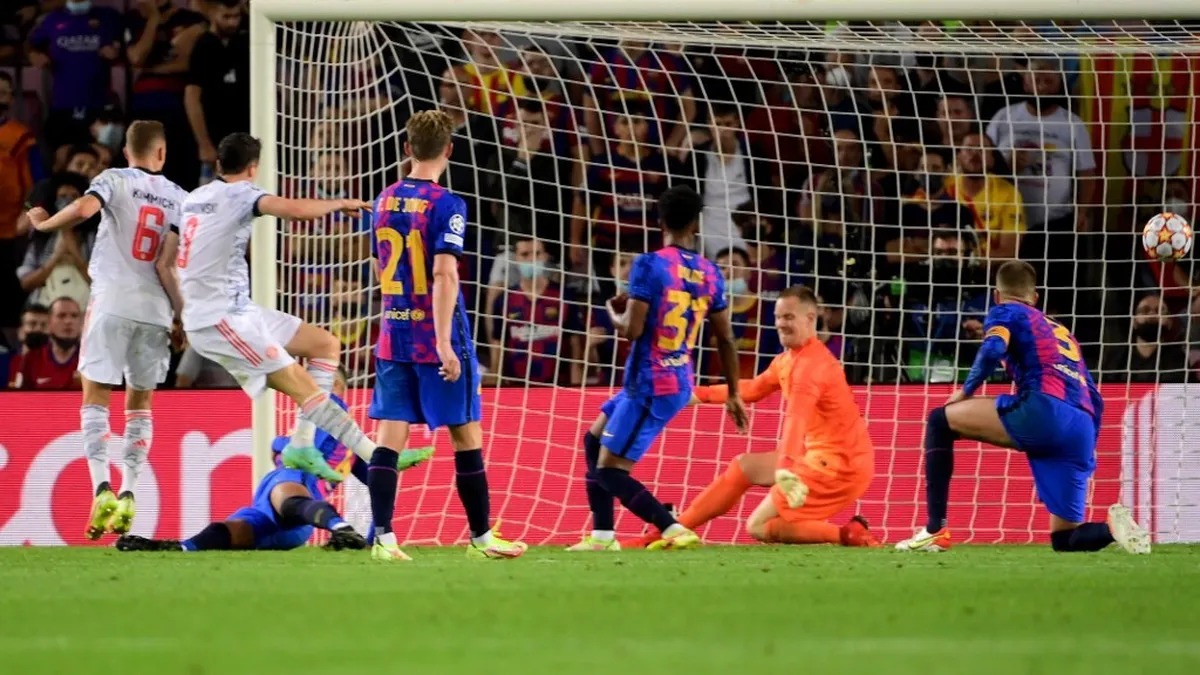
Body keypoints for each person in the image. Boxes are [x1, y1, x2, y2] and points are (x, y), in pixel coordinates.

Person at [896, 260, 1151, 554]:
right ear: (1036, 297)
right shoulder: (1061, 330)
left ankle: (934, 530)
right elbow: (1093, 394)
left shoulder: (1006, 311)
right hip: (1082, 424)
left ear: (996, 295)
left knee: (939, 421)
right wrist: (1086, 448)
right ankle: (1113, 529)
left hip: (1044, 410)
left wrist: (965, 391)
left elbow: (993, 348)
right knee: (1065, 539)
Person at [366, 110, 527, 562]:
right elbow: (443, 273)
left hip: (393, 333)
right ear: (450, 150)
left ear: (407, 148)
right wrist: (442, 343)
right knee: (466, 434)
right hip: (435, 334)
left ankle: (384, 539)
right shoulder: (448, 204)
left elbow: (381, 263)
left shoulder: (384, 198)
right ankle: (481, 539)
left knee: (389, 435)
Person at [178, 132, 379, 487]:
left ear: (219, 163)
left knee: (325, 345)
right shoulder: (242, 192)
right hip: (218, 319)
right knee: (306, 388)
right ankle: (376, 456)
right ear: (253, 168)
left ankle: (302, 442)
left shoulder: (194, 197)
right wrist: (338, 203)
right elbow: (295, 211)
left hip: (238, 308)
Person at [25, 120, 186, 541]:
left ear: (126, 152)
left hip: (112, 301)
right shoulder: (180, 197)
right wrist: (180, 315)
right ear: (162, 153)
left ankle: (102, 488)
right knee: (140, 405)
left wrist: (44, 224)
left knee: (95, 396)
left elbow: (83, 210)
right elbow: (169, 265)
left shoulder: (114, 179)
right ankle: (130, 490)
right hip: (155, 310)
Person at [568, 185, 749, 552]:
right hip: (672, 377)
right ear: (696, 224)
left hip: (652, 382)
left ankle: (672, 528)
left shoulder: (649, 264)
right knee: (593, 441)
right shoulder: (710, 272)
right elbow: (726, 339)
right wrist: (734, 393)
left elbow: (632, 330)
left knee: (609, 470)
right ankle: (602, 537)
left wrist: (614, 313)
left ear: (660, 221)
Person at [626, 286, 878, 549]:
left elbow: (796, 419)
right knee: (743, 467)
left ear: (811, 318)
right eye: (778, 317)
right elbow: (754, 389)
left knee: (757, 526)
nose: (780, 324)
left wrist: (785, 466)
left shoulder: (810, 368)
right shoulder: (788, 360)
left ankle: (848, 534)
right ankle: (670, 532)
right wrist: (694, 395)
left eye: (789, 317)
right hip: (823, 455)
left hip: (839, 467)